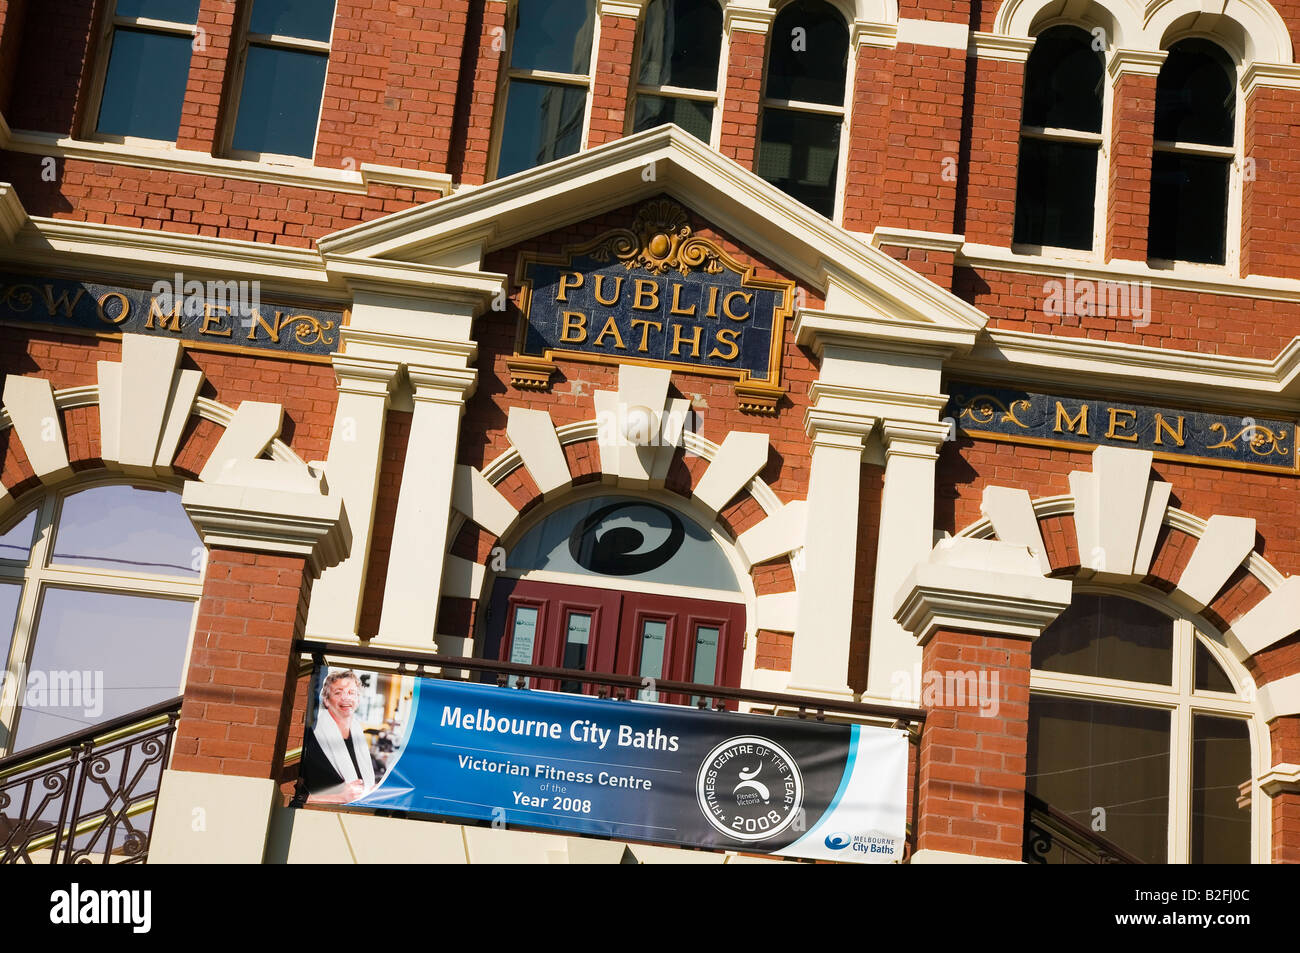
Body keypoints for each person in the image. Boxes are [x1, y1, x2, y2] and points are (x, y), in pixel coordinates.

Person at [300, 670, 376, 804]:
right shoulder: (312, 738)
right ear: (326, 700)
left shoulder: (358, 733)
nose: (345, 698)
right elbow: (296, 796)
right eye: (338, 692)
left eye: (351, 693)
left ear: (358, 700)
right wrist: (339, 797)